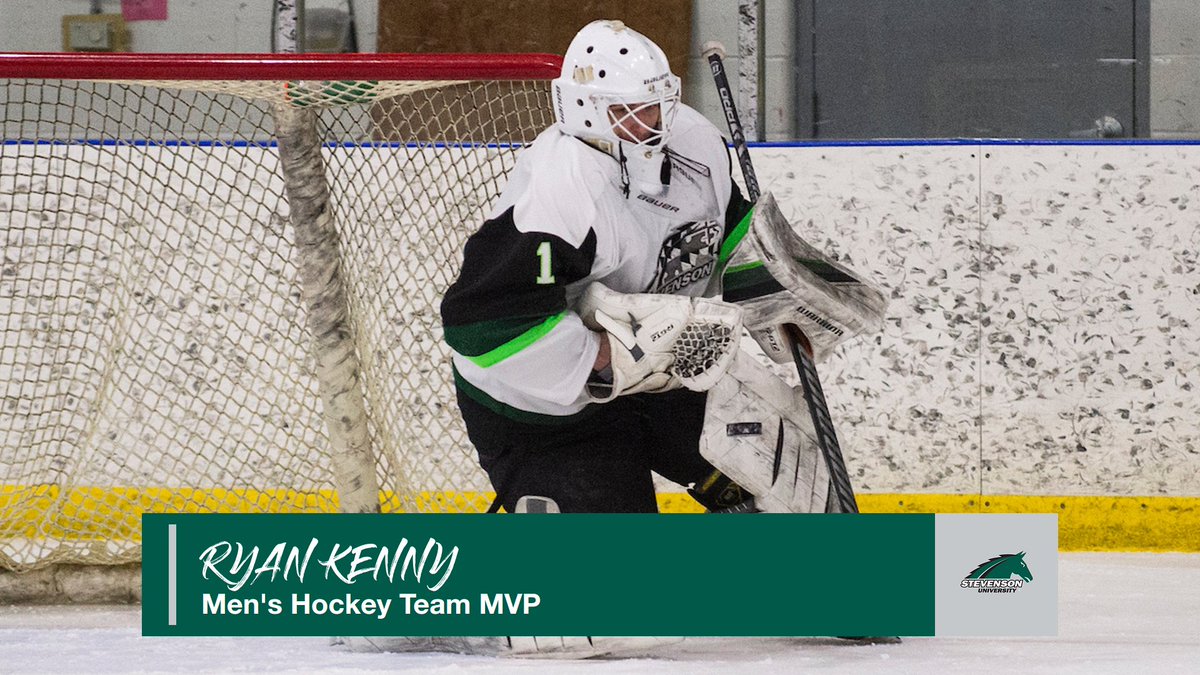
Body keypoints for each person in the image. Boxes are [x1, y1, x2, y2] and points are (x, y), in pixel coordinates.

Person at [440, 19, 753, 514]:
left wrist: (774, 292)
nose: (653, 122)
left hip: (656, 378)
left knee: (776, 474)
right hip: (545, 415)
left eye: (658, 104)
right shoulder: (558, 192)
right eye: (631, 111)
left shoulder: (695, 140)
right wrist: (610, 355)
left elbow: (728, 230)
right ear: (585, 113)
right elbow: (483, 328)